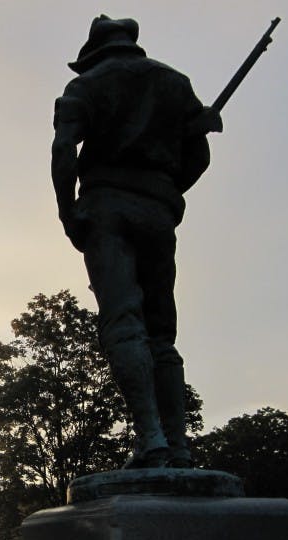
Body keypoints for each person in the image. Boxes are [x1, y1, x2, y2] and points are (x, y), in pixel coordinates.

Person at [52, 15, 220, 469]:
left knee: (124, 321)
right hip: (158, 213)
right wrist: (165, 193)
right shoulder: (175, 84)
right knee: (161, 332)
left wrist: (69, 211)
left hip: (107, 208)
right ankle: (178, 445)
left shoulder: (86, 86)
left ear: (95, 52)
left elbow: (64, 152)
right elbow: (199, 155)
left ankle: (152, 440)